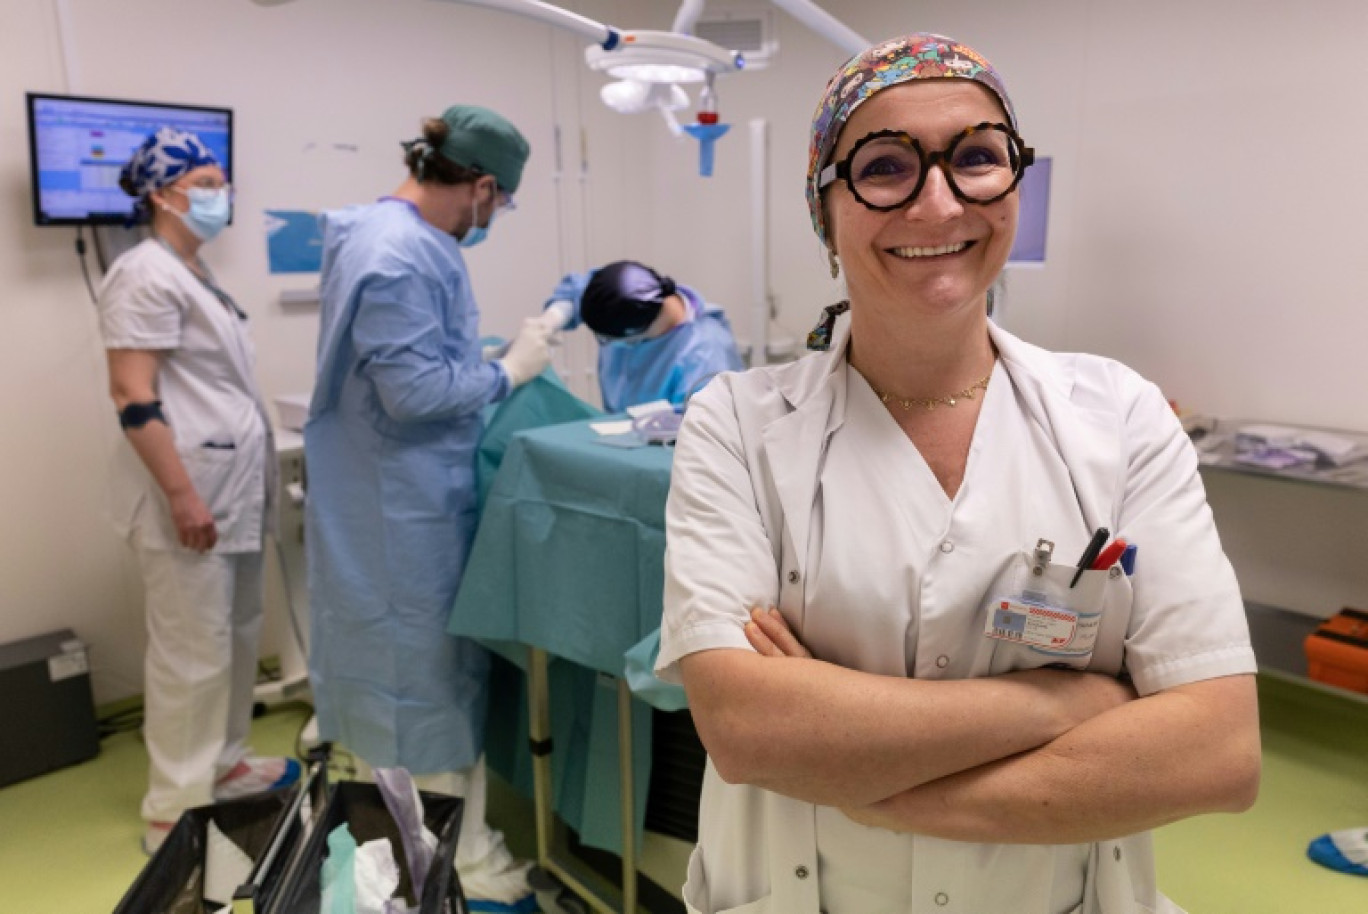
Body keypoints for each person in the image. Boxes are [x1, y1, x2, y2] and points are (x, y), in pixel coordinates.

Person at [655, 33, 1261, 914]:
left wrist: (857, 778)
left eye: (977, 158)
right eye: (886, 166)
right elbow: (750, 732)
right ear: (824, 212)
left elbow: (1217, 753)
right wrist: (1070, 703)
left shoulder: (1120, 416)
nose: (939, 205)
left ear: (1013, 184)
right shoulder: (737, 426)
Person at [305, 105, 551, 911]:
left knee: (397, 683)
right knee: (421, 690)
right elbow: (412, 394)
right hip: (399, 512)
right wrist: (508, 371)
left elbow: (406, 364)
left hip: (382, 497)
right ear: (481, 186)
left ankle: (420, 844)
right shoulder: (405, 252)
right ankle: (434, 862)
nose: (496, 216)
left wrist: (473, 362)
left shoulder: (371, 233)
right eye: (502, 201)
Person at [97, 127, 300, 854]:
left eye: (221, 180)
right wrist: (182, 496)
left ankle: (225, 763)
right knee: (192, 653)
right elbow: (132, 392)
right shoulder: (143, 273)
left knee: (237, 635)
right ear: (162, 194)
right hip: (189, 494)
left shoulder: (192, 271)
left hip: (229, 492)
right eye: (205, 182)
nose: (221, 194)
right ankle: (175, 810)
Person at [543, 260, 744, 412]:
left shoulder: (705, 353)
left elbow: (696, 433)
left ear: (635, 334)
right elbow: (583, 290)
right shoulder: (624, 295)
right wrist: (555, 316)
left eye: (607, 339)